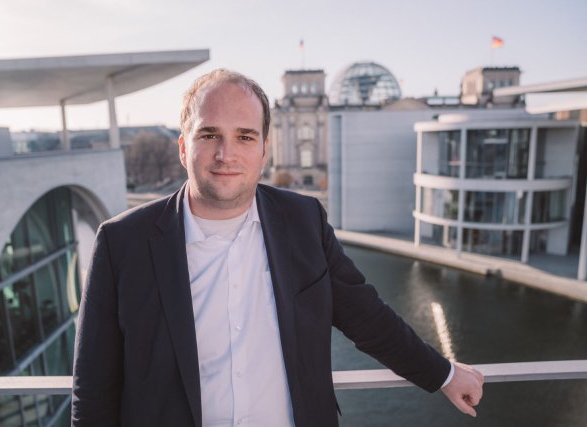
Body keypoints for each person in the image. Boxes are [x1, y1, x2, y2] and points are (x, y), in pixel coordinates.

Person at [71, 69, 484, 427]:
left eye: (245, 137)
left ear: (265, 150)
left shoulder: (304, 221)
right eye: (209, 134)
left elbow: (367, 317)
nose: (225, 153)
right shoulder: (122, 243)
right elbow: (93, 392)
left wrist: (443, 375)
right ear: (183, 147)